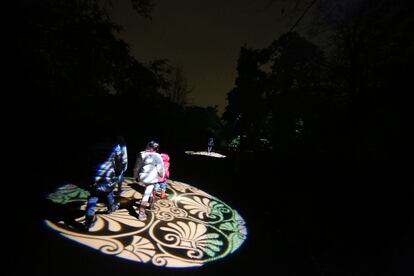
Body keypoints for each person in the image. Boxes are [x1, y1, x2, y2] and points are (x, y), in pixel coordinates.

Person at [84, 143, 121, 231]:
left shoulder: (95, 144)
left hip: (95, 173)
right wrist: (118, 171)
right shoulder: (115, 146)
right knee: (108, 192)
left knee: (94, 195)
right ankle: (111, 207)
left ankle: (89, 219)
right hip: (108, 173)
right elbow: (118, 161)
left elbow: (89, 159)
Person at [133, 141, 165, 220]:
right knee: (146, 194)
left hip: (142, 177)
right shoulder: (157, 156)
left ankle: (152, 204)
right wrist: (162, 175)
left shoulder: (142, 154)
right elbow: (160, 168)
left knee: (150, 189)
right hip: (151, 178)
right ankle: (141, 213)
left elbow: (137, 166)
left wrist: (136, 176)